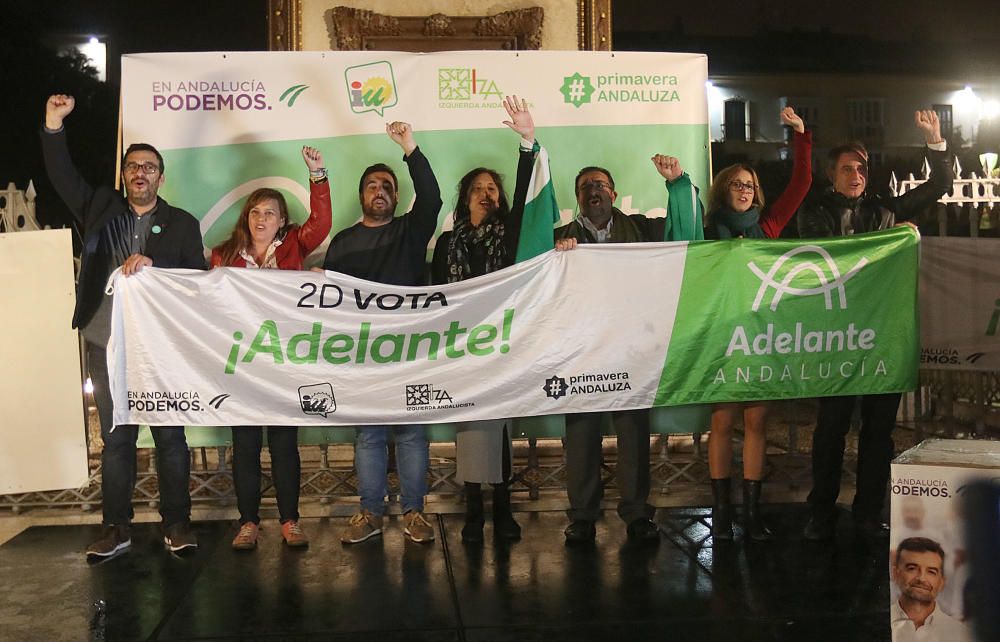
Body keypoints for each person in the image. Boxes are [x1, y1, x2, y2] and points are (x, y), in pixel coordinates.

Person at [41, 93, 206, 558]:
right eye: (133, 166)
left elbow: (196, 282)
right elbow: (60, 175)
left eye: (149, 167)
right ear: (124, 175)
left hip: (162, 350)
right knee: (116, 440)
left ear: (160, 176)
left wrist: (157, 268)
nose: (140, 173)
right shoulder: (99, 207)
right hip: (106, 342)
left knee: (172, 438)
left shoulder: (182, 225)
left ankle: (177, 524)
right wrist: (54, 124)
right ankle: (116, 528)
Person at [799, 110, 952, 540]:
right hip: (836, 336)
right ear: (832, 175)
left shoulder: (886, 208)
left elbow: (939, 186)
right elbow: (821, 260)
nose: (856, 174)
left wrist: (935, 141)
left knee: (879, 430)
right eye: (847, 168)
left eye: (862, 168)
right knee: (831, 428)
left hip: (881, 335)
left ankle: (867, 510)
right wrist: (886, 241)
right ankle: (821, 511)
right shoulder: (815, 212)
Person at [554, 154, 704, 544]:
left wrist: (677, 184)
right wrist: (557, 254)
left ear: (615, 193)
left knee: (633, 436)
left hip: (631, 351)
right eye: (586, 186)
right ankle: (583, 516)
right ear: (577, 198)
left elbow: (684, 232)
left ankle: (637, 514)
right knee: (582, 437)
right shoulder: (561, 237)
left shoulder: (643, 230)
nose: (594, 191)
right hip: (582, 351)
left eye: (600, 184)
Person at [323, 121, 442, 544]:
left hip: (411, 351)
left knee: (411, 434)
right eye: (372, 185)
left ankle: (414, 513)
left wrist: (409, 147)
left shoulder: (410, 231)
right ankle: (369, 514)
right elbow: (330, 305)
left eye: (387, 185)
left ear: (396, 195)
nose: (379, 190)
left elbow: (432, 197)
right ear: (362, 195)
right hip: (361, 355)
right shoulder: (343, 242)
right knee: (369, 435)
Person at [211, 146, 332, 550]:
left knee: (283, 445)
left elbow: (321, 223)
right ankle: (248, 523)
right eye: (255, 212)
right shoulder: (223, 256)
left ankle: (290, 521)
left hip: (285, 364)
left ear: (282, 221)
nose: (261, 219)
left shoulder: (295, 246)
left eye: (270, 213)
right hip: (242, 365)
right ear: (246, 218)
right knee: (244, 446)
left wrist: (318, 174)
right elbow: (207, 304)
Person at [430, 96, 538, 543]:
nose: (487, 195)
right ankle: (473, 511)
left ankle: (504, 509)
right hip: (461, 345)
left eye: (493, 189)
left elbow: (530, 186)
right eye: (479, 189)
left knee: (501, 429)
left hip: (503, 342)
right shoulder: (446, 244)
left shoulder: (511, 233)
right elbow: (435, 298)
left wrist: (527, 143)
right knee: (470, 428)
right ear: (465, 198)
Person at [705, 107, 812, 541]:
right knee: (721, 424)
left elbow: (802, 184)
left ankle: (750, 515)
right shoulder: (708, 227)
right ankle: (721, 516)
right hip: (721, 337)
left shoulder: (768, 226)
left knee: (755, 425)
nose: (745, 190)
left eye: (750, 185)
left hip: (761, 336)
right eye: (737, 184)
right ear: (723, 189)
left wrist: (801, 136)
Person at [890, 537, 972, 642]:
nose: (921, 578)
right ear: (895, 574)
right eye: (912, 568)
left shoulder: (962, 635)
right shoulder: (875, 622)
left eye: (931, 572)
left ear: (942, 582)